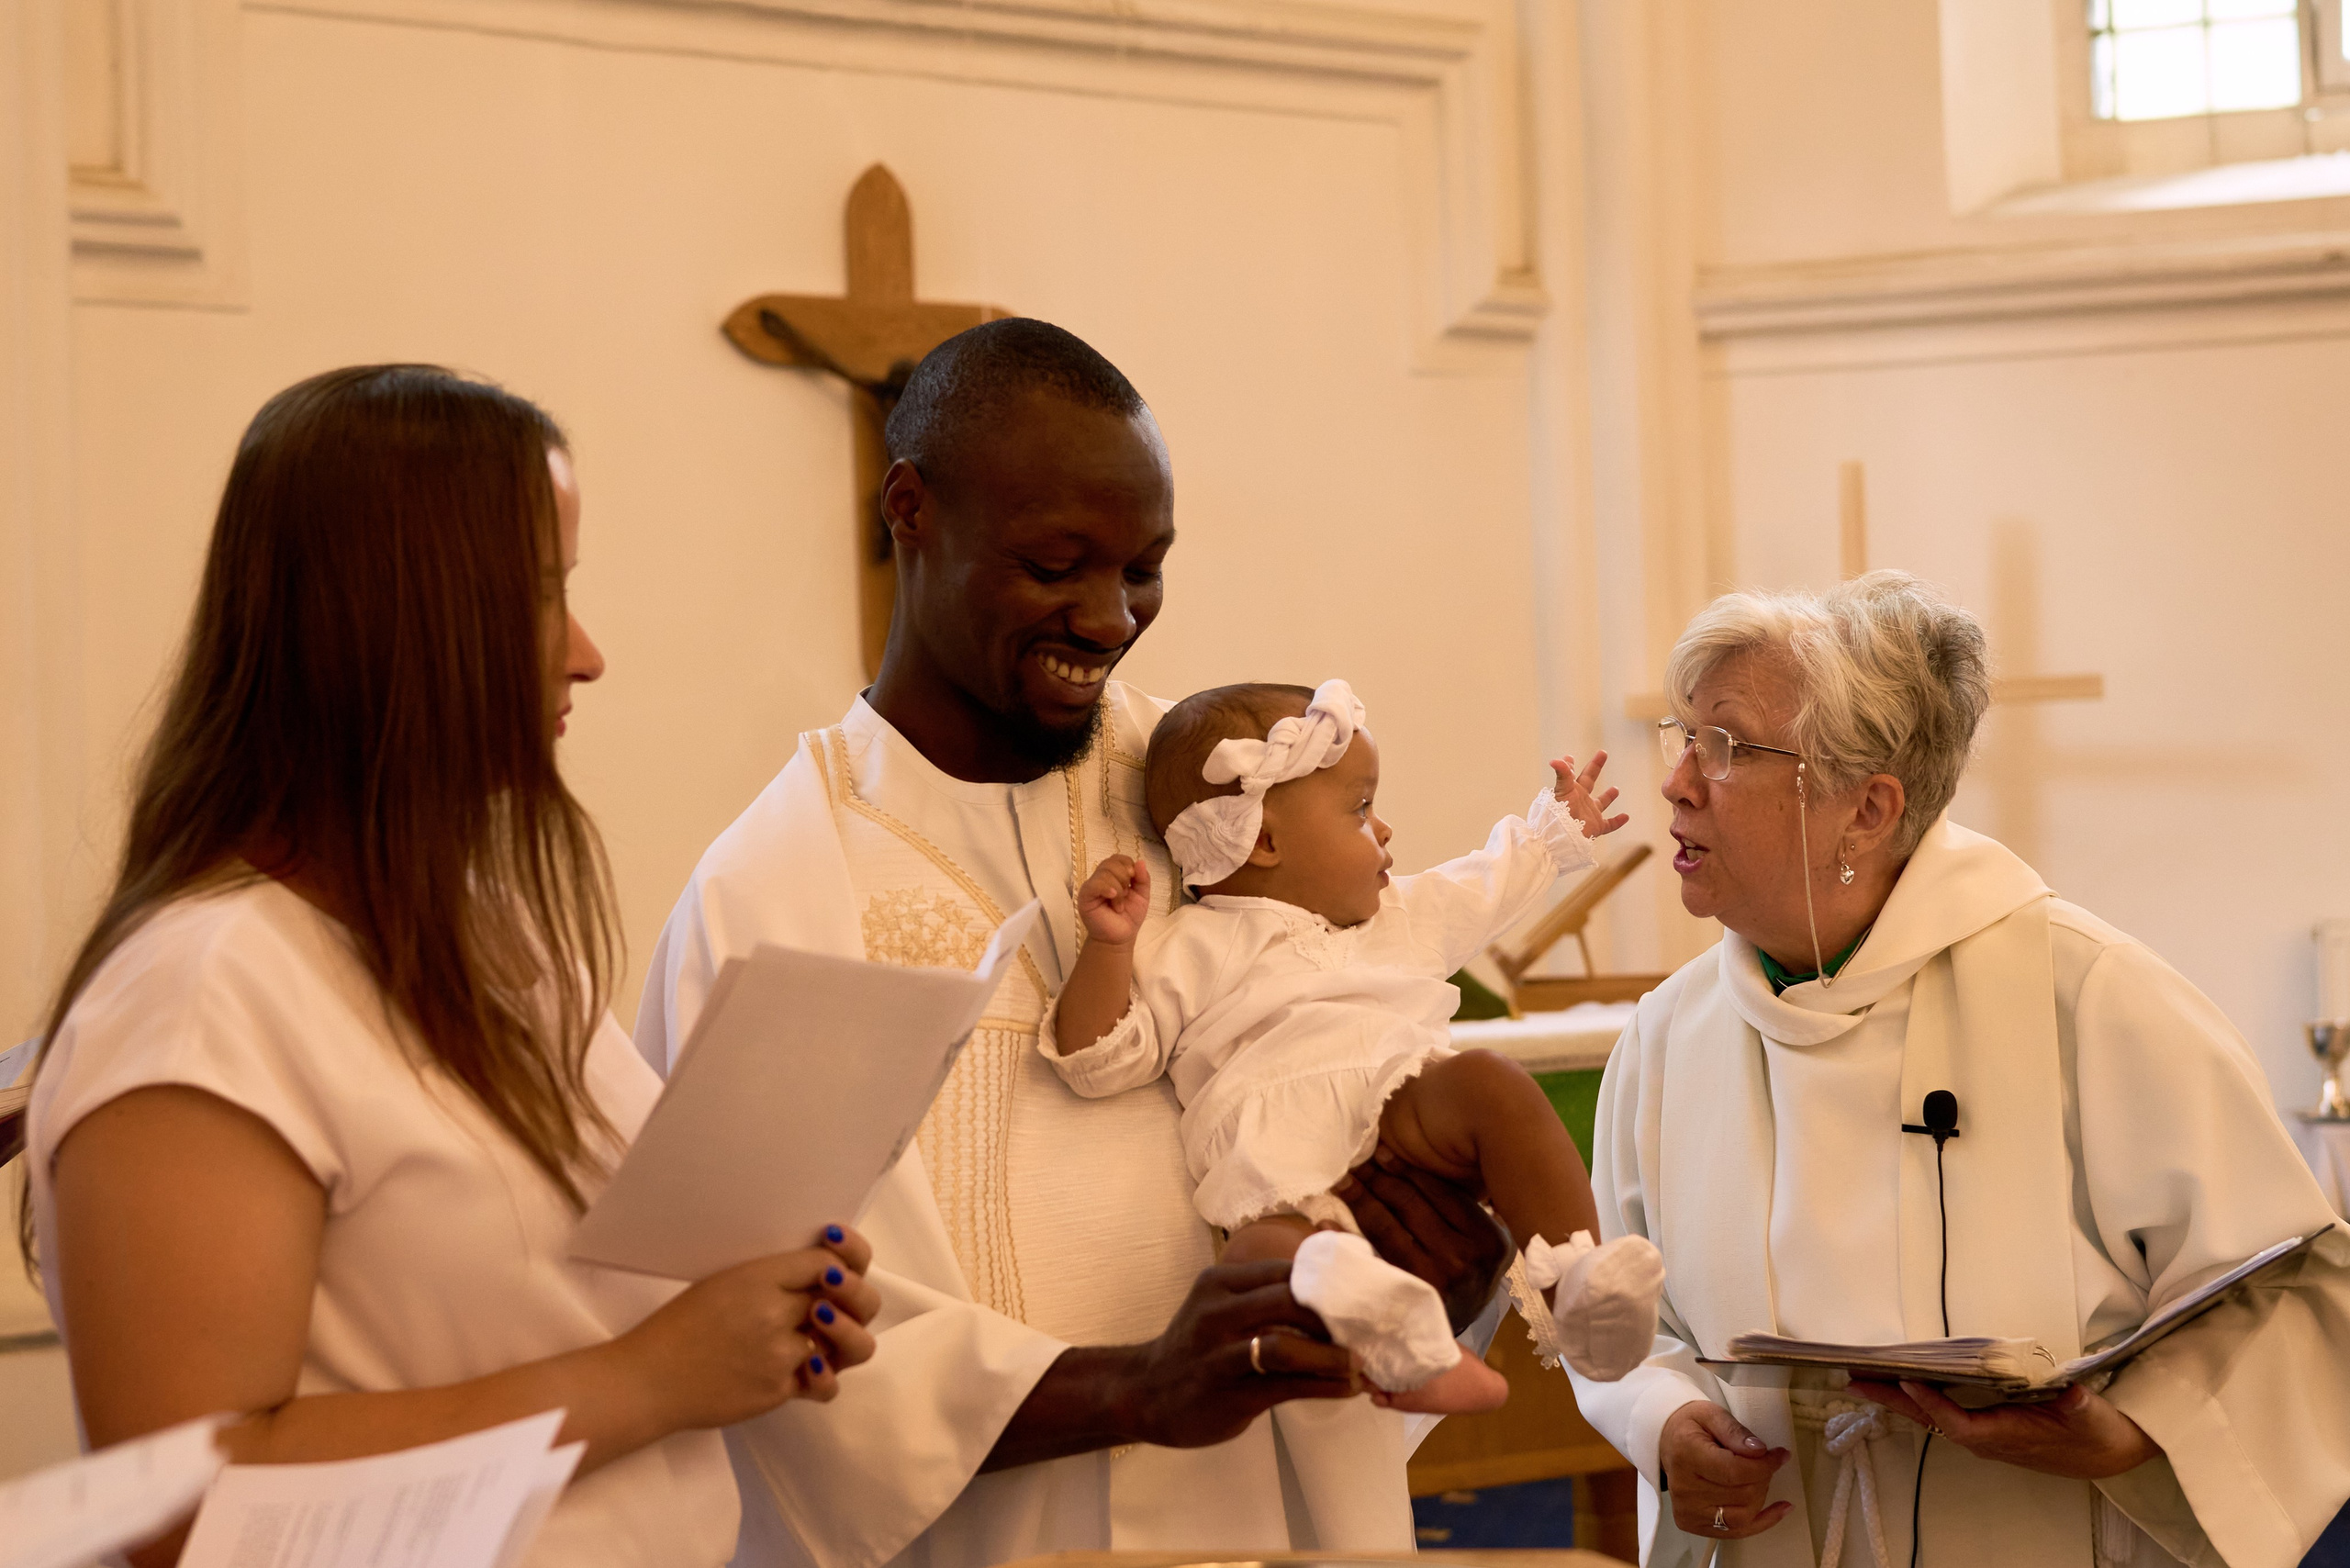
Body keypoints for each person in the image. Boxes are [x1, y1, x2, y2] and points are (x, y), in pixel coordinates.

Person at [639, 319, 1513, 1568]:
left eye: (1143, 569)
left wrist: (1436, 1267)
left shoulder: (1216, 798)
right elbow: (756, 1326)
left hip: (1270, 1522)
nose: (1109, 619)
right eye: (1055, 565)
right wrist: (1137, 1387)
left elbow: (1352, 1068)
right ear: (910, 510)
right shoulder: (778, 891)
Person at [23, 366, 881, 1568]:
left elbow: (560, 1308)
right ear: (395, 623)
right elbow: (177, 1509)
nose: (586, 655)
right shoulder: (204, 991)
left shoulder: (488, 930)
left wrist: (766, 1303)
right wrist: (655, 1373)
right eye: (540, 595)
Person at [1571, 570, 2350, 1568]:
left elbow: (2289, 1290)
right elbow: (1622, 1312)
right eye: (1682, 737)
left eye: (1725, 746)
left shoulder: (2087, 995)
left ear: (1866, 809)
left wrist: (2134, 1431)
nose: (1678, 782)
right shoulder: (1666, 1039)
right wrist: (1663, 1422)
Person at [1048, 678, 1664, 1411]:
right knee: (1256, 1256)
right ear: (1264, 841)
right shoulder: (1188, 945)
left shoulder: (1396, 915)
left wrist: (1553, 830)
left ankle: (1578, 1288)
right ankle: (1403, 1345)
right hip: (1278, 1165)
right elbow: (1101, 1057)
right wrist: (1110, 947)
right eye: (1361, 810)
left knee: (1491, 1081)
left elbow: (1482, 887)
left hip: (1398, 1114)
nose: (1385, 831)